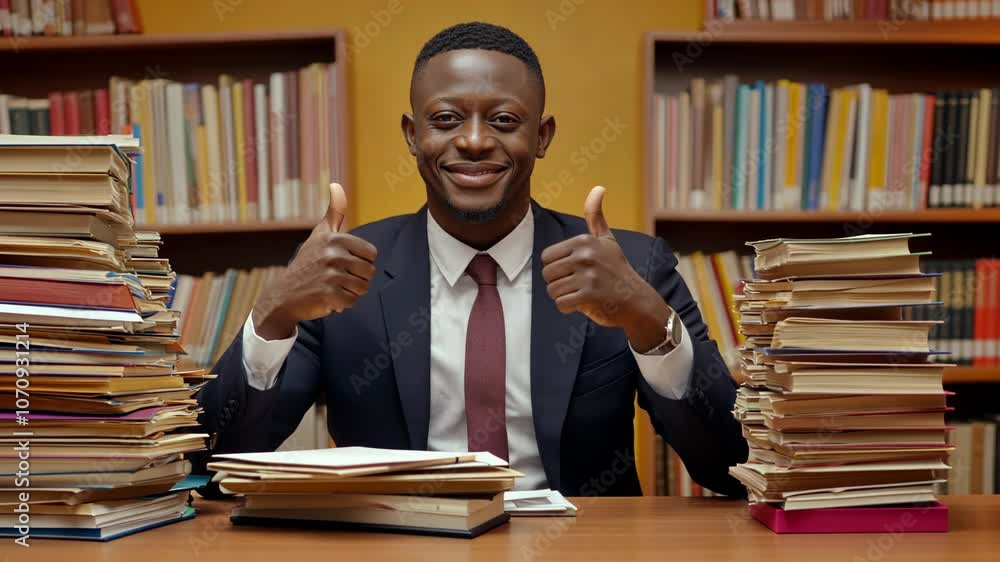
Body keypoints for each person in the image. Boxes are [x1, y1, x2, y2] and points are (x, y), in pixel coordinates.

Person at [195, 21, 748, 497]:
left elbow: (733, 467)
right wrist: (274, 312)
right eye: (446, 120)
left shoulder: (631, 266)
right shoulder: (343, 274)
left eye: (505, 120)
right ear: (413, 136)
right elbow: (215, 462)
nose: (476, 141)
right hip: (399, 545)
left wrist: (647, 320)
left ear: (542, 136)